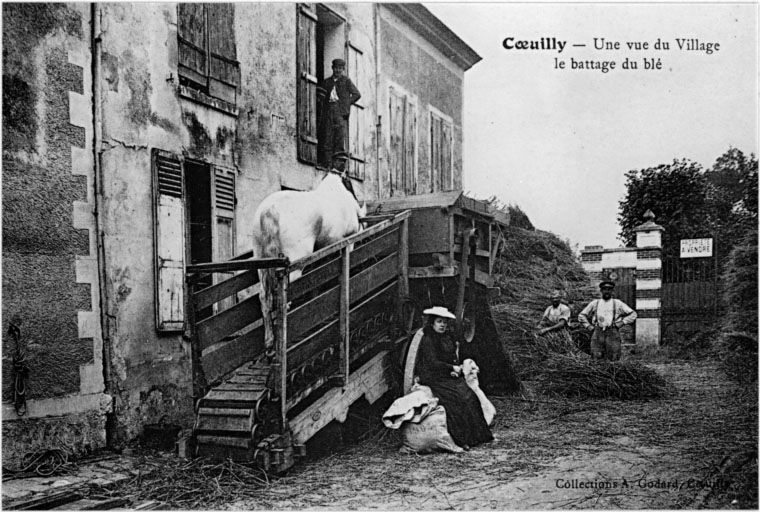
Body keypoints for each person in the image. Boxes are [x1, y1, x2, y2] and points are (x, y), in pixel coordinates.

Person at [416, 306, 493, 450]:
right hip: (433, 378)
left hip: (445, 375)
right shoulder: (428, 339)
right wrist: (451, 368)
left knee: (469, 395)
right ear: (432, 323)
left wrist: (453, 369)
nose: (442, 325)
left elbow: (450, 359)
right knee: (456, 400)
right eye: (439, 322)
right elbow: (432, 363)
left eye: (444, 322)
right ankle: (462, 440)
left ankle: (479, 436)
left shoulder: (446, 337)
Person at [578, 280, 637, 361]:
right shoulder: (595, 303)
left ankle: (613, 373)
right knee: (596, 356)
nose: (607, 291)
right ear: (601, 291)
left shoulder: (617, 303)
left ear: (612, 291)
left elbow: (633, 314)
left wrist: (622, 322)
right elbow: (581, 315)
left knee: (614, 357)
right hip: (598, 332)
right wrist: (588, 326)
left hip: (612, 332)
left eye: (609, 289)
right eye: (604, 289)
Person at [319, 58, 361, 170]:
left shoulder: (346, 81)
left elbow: (357, 94)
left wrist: (346, 104)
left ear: (343, 70)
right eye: (336, 68)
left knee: (339, 137)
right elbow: (320, 94)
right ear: (332, 68)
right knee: (327, 136)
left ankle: (337, 166)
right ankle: (327, 163)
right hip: (329, 110)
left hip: (340, 111)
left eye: (340, 69)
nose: (338, 70)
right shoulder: (327, 82)